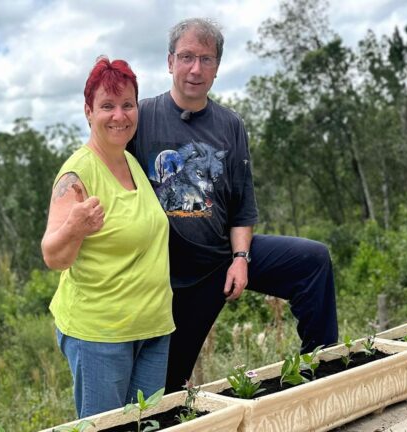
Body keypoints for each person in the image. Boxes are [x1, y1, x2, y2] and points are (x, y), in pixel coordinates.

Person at [128, 18, 339, 393]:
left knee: (313, 261)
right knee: (164, 391)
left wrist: (241, 258)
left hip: (222, 258)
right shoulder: (141, 118)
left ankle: (319, 373)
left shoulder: (229, 125)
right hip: (170, 276)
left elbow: (242, 205)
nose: (196, 68)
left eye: (206, 60)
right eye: (187, 57)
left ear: (217, 68)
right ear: (170, 61)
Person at [41, 57, 174, 418]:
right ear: (88, 111)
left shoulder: (131, 163)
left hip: (152, 328)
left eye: (127, 104)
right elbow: (53, 255)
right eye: (107, 106)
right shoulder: (77, 174)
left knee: (146, 427)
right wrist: (75, 227)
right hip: (101, 334)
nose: (119, 115)